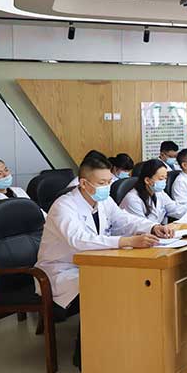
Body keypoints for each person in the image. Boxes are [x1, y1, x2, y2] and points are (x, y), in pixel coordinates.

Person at [36, 155, 175, 362]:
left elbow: (124, 220)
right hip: (61, 270)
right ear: (84, 183)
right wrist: (126, 241)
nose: (107, 187)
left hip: (94, 262)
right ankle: (86, 356)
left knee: (127, 281)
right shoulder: (64, 206)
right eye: (102, 183)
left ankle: (127, 344)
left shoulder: (103, 201)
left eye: (109, 182)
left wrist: (152, 227)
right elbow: (79, 240)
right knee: (106, 286)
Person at [121, 159, 187, 225]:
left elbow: (175, 209)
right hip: (136, 235)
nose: (164, 182)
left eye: (165, 178)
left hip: (155, 233)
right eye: (160, 179)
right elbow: (141, 226)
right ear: (147, 180)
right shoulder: (133, 199)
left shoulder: (159, 193)